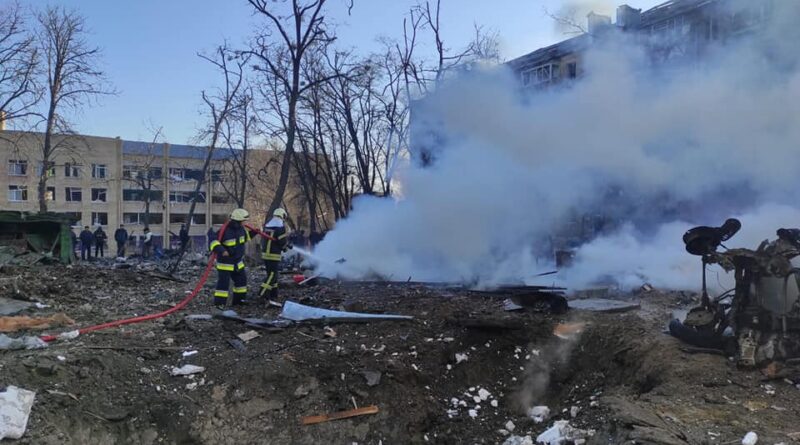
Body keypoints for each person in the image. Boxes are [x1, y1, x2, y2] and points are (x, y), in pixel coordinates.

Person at [209, 209, 257, 306]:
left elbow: (244, 239)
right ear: (239, 220)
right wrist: (222, 251)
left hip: (237, 262)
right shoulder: (225, 230)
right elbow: (213, 242)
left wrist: (254, 233)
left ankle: (239, 302)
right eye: (244, 220)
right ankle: (219, 304)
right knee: (223, 285)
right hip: (225, 263)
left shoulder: (241, 229)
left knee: (241, 282)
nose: (246, 222)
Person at [260, 208, 290, 301]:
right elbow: (282, 241)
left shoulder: (268, 225)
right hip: (274, 254)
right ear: (282, 215)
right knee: (273, 275)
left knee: (271, 274)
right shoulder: (280, 226)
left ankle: (273, 294)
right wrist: (285, 247)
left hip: (266, 254)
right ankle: (263, 293)